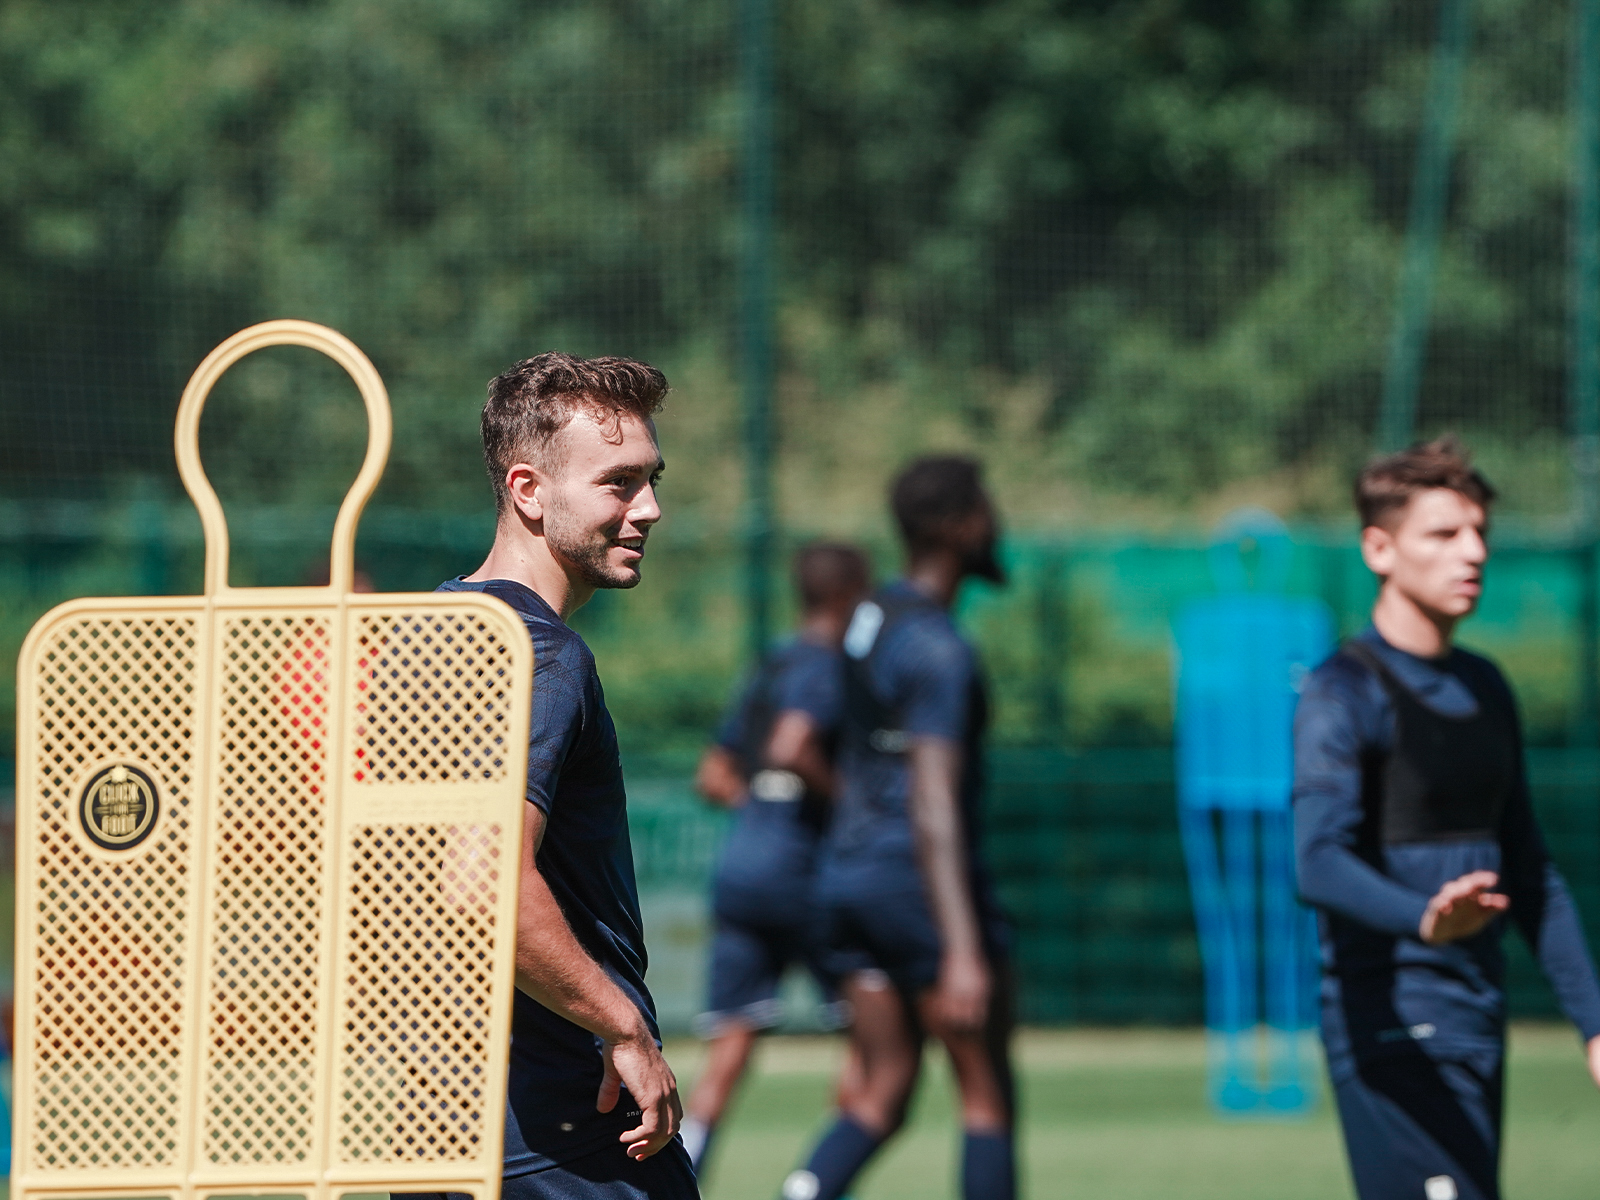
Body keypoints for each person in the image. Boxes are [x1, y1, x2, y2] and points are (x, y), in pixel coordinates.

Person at [1293, 436, 1600, 1200]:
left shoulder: (1487, 686)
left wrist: (1594, 1021)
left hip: (1475, 1012)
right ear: (1379, 548)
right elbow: (1316, 862)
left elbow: (1528, 868)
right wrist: (1424, 918)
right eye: (1443, 534)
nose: (1473, 553)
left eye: (1479, 533)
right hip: (1392, 1022)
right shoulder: (1342, 693)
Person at [420, 352, 697, 1199]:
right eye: (619, 484)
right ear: (528, 491)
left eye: (651, 479)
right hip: (565, 1133)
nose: (648, 508)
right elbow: (481, 877)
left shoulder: (423, 635)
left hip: (431, 1130)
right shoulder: (542, 655)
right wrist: (623, 1027)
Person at [780, 456, 1016, 1200]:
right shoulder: (940, 649)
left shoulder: (869, 619)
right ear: (958, 526)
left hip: (846, 878)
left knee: (881, 1091)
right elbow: (935, 802)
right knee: (985, 1097)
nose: (995, 523)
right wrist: (964, 949)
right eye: (985, 509)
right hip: (916, 886)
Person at [680, 541, 873, 1178]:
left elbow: (712, 774)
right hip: (807, 876)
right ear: (850, 595)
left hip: (744, 867)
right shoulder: (827, 665)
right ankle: (813, 1182)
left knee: (729, 1048)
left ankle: (678, 1180)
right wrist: (852, 806)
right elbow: (793, 747)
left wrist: (761, 806)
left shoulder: (770, 665)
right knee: (875, 1041)